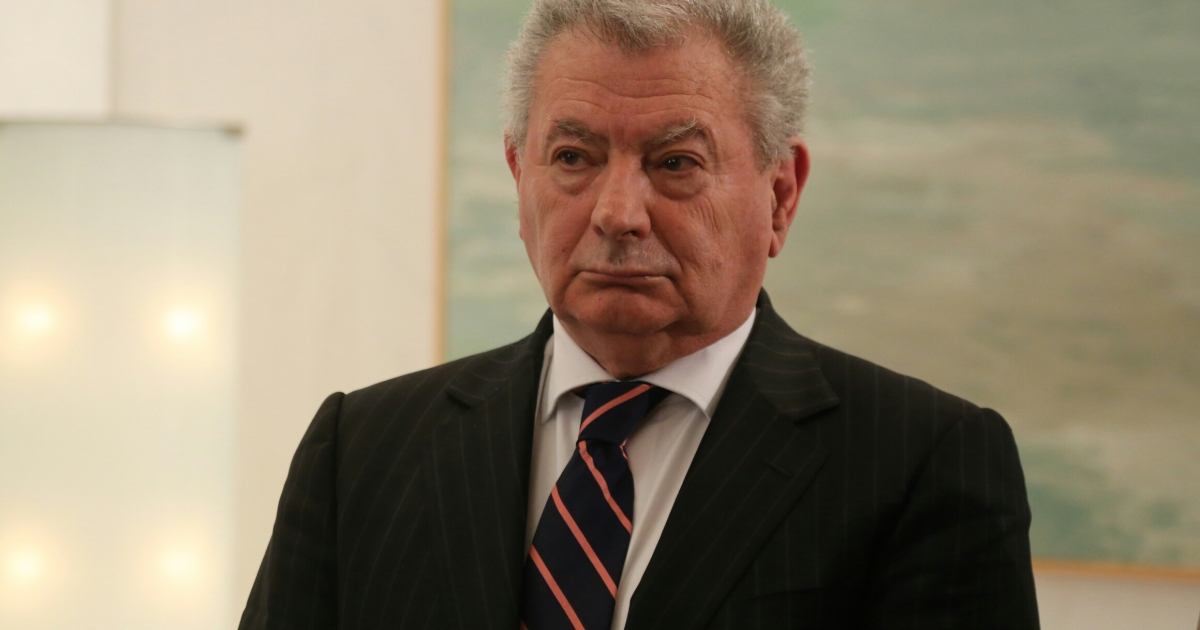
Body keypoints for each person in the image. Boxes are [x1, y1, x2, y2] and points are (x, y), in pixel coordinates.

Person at [239, 0, 1040, 628]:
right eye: (573, 158)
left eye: (676, 162)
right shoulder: (361, 450)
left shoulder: (923, 464)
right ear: (519, 175)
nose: (618, 213)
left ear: (780, 194)